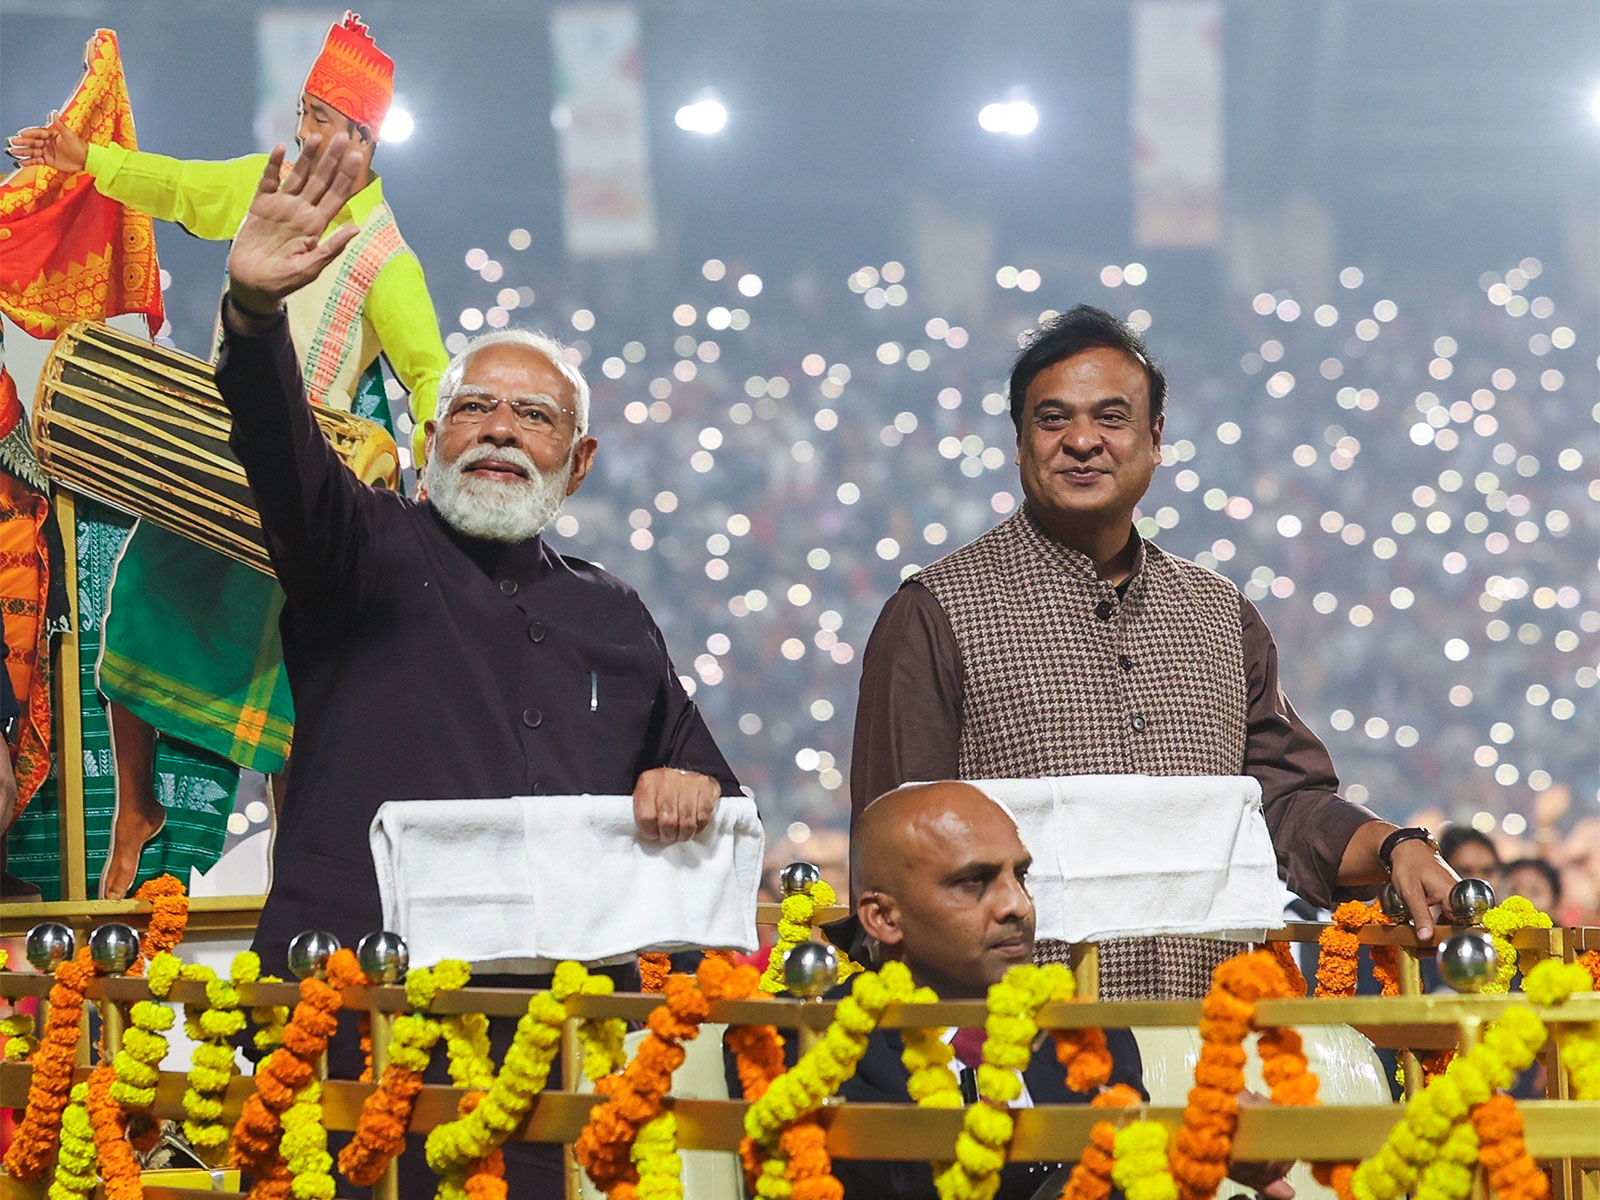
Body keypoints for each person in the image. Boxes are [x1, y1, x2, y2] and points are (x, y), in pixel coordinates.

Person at [219, 132, 740, 1198]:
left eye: (534, 416)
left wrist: (686, 787)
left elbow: (706, 794)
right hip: (346, 1016)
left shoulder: (614, 614)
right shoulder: (354, 547)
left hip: (531, 1039)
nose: (497, 430)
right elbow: (278, 446)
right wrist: (254, 315)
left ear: (578, 461)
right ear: (429, 434)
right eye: (470, 408)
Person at [851, 304, 1460, 1000]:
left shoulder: (1220, 614)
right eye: (1053, 420)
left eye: (1111, 417)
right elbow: (897, 849)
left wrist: (1395, 846)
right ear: (1018, 442)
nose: (1083, 441)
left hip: (1215, 1037)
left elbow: (1282, 806)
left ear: (1155, 437)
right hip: (1029, 1056)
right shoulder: (936, 612)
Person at [9, 13, 450, 900]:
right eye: (302, 112)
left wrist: (440, 467)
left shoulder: (385, 258)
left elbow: (429, 371)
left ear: (363, 139)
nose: (303, 132)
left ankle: (303, 851)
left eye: (323, 119)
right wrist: (83, 160)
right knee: (129, 621)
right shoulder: (264, 184)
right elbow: (175, 186)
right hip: (209, 455)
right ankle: (139, 807)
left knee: (295, 687)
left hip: (300, 491)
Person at [737, 781, 1146, 1200]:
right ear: (883, 918)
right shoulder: (800, 1035)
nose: (1018, 905)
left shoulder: (1091, 1036)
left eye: (1020, 875)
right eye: (973, 882)